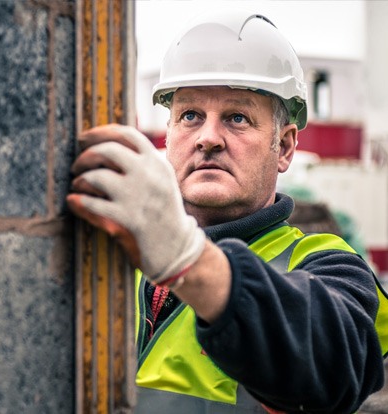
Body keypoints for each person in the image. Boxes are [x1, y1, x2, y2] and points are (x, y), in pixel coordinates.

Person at [67, 9, 388, 414]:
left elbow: (335, 367)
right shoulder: (111, 251)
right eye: (189, 116)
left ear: (285, 147)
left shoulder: (327, 265)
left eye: (237, 118)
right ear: (167, 137)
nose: (208, 138)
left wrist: (185, 256)